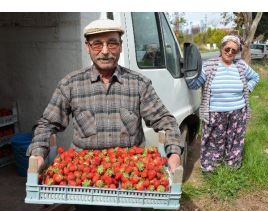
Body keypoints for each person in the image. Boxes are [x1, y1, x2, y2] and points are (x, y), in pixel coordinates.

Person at [27, 19, 182, 191]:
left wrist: (174, 153)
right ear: (88, 47)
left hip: (130, 179)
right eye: (97, 45)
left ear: (121, 46)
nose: (106, 51)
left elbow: (165, 120)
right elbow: (47, 124)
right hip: (83, 176)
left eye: (112, 44)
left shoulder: (139, 84)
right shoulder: (70, 84)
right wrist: (38, 154)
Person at [185, 34, 260, 173]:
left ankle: (232, 167)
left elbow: (255, 77)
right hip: (214, 112)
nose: (230, 52)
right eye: (227, 49)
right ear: (221, 48)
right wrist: (189, 73)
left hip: (238, 111)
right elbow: (195, 85)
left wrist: (248, 88)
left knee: (235, 140)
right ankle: (210, 169)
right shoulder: (209, 65)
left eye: (234, 50)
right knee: (213, 141)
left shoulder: (241, 65)